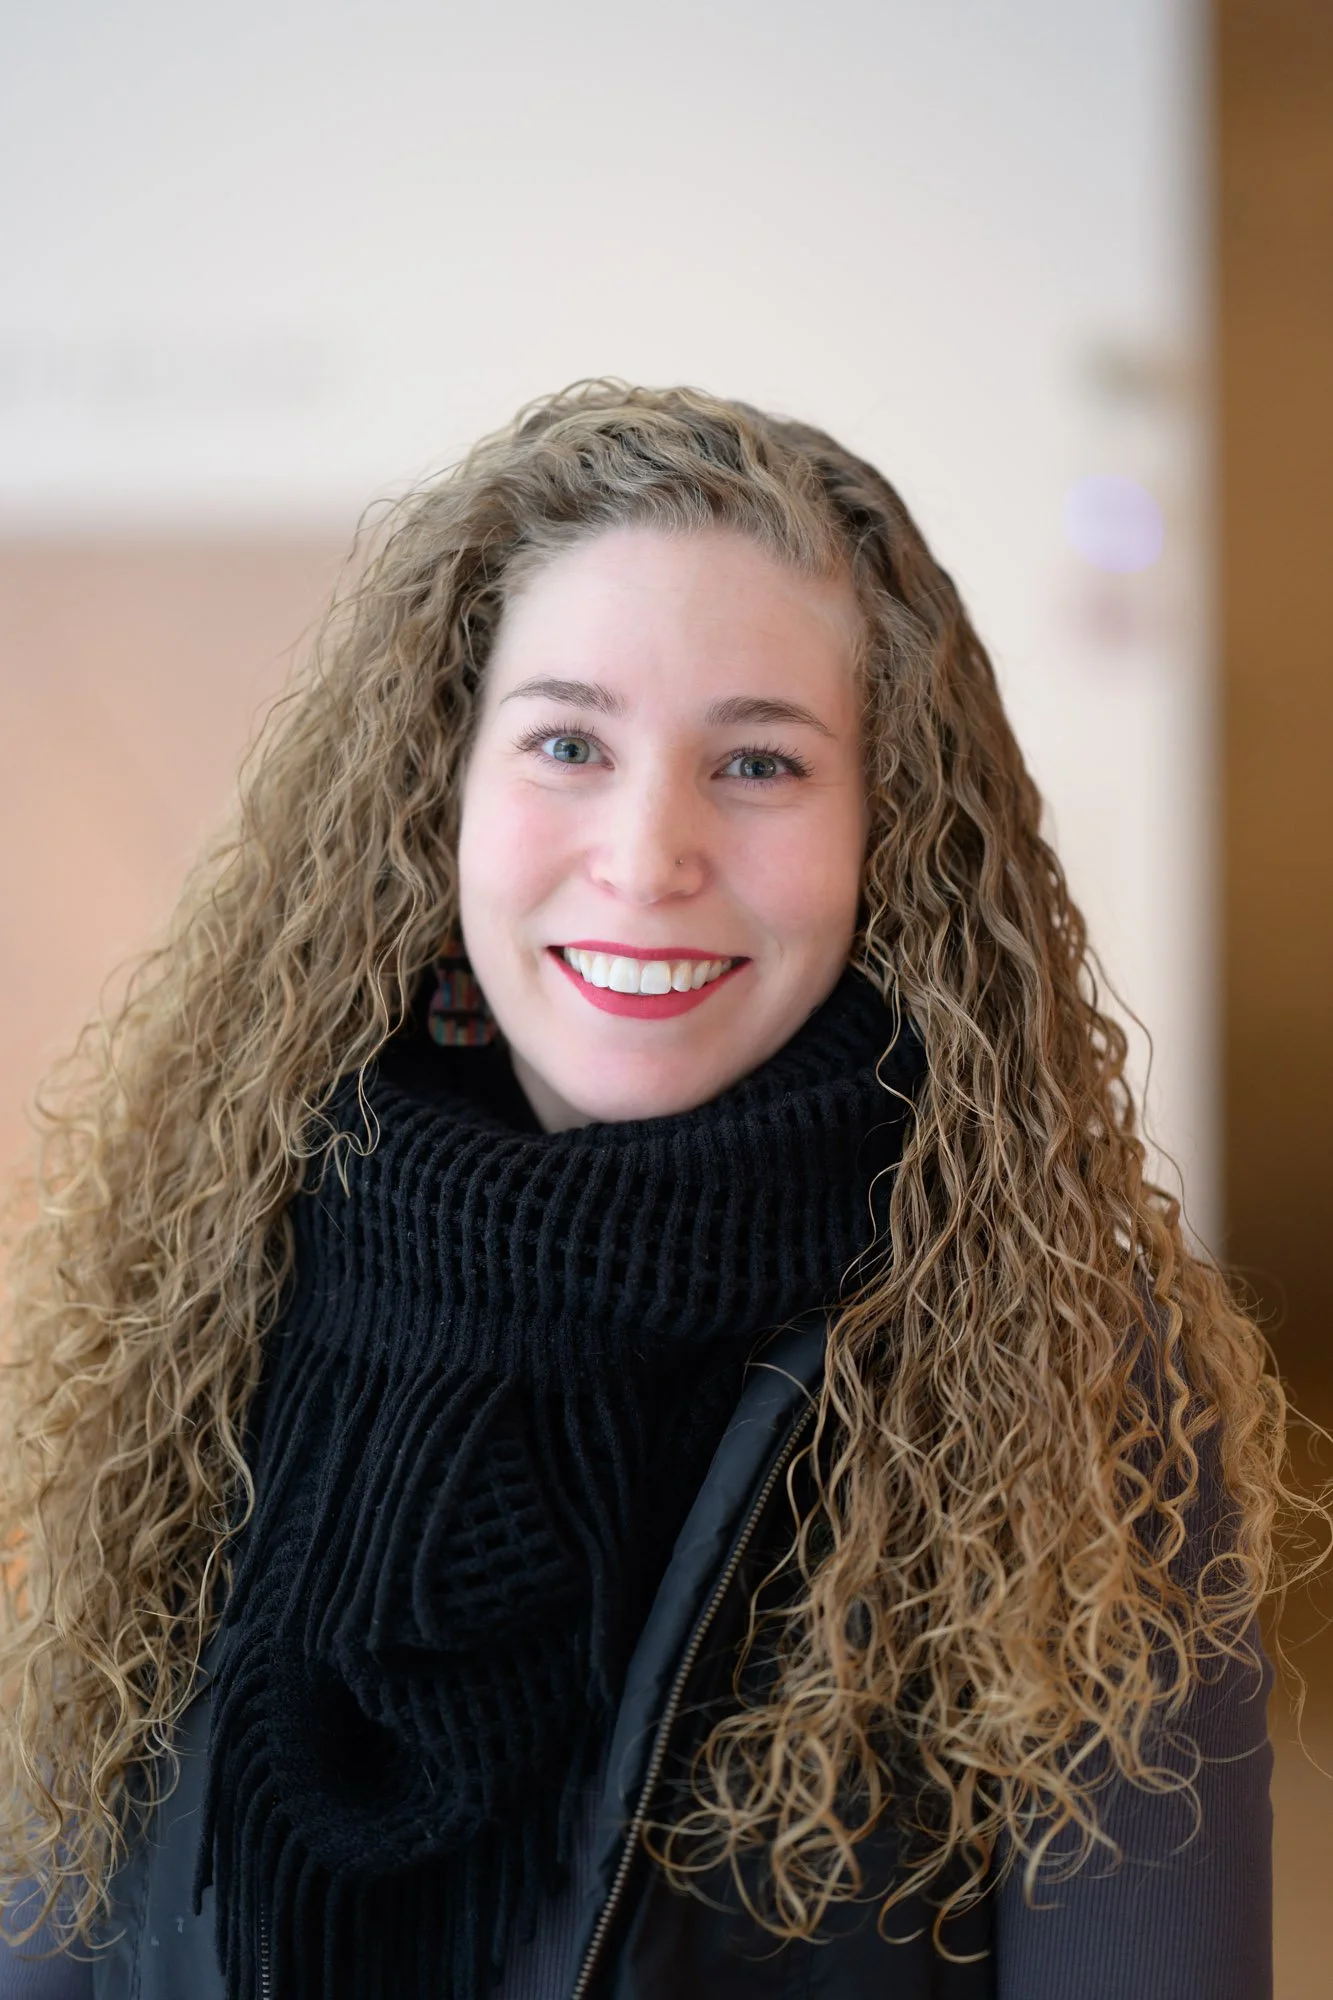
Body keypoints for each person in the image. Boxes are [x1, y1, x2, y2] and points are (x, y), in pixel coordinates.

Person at [0, 383, 1295, 1999]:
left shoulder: (1064, 1365)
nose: (646, 849)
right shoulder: (212, 1268)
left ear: (885, 830)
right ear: (438, 795)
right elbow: (58, 1923)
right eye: (566, 742)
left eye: (758, 762)